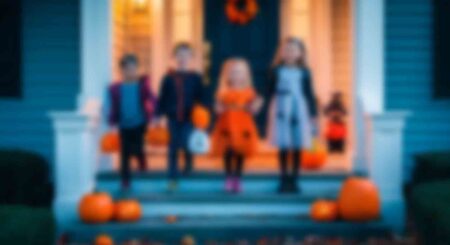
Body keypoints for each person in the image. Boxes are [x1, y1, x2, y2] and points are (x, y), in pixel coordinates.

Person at [267, 37, 318, 193]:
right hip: (281, 108)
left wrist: (313, 114)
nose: (289, 53)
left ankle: (295, 178)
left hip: (298, 109)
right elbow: (269, 92)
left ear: (300, 54)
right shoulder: (275, 71)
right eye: (286, 50)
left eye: (293, 50)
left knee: (297, 143)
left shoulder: (305, 72)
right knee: (283, 143)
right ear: (281, 53)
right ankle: (283, 178)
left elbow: (309, 93)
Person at [155, 43, 206, 191]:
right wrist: (158, 115)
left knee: (186, 142)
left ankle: (188, 163)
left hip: (190, 117)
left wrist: (203, 116)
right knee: (172, 148)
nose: (183, 57)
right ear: (174, 57)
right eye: (180, 54)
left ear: (191, 58)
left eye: (186, 55)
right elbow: (162, 98)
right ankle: (172, 177)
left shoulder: (195, 77)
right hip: (173, 117)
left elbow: (201, 97)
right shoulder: (168, 78)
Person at [211, 58, 263, 193]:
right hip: (226, 124)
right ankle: (228, 177)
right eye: (233, 72)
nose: (236, 75)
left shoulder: (249, 91)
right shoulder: (223, 92)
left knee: (240, 151)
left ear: (245, 75)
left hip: (243, 124)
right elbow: (218, 108)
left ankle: (238, 178)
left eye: (239, 72)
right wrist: (218, 106)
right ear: (227, 75)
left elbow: (254, 109)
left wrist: (256, 104)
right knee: (228, 151)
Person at [106, 54, 156, 191]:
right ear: (121, 70)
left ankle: (142, 161)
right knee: (125, 154)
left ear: (137, 69)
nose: (130, 71)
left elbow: (153, 99)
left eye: (133, 68)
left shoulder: (142, 86)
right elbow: (113, 107)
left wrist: (154, 115)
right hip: (124, 125)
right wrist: (112, 123)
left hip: (140, 123)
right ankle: (125, 180)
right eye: (127, 68)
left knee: (138, 148)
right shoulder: (116, 89)